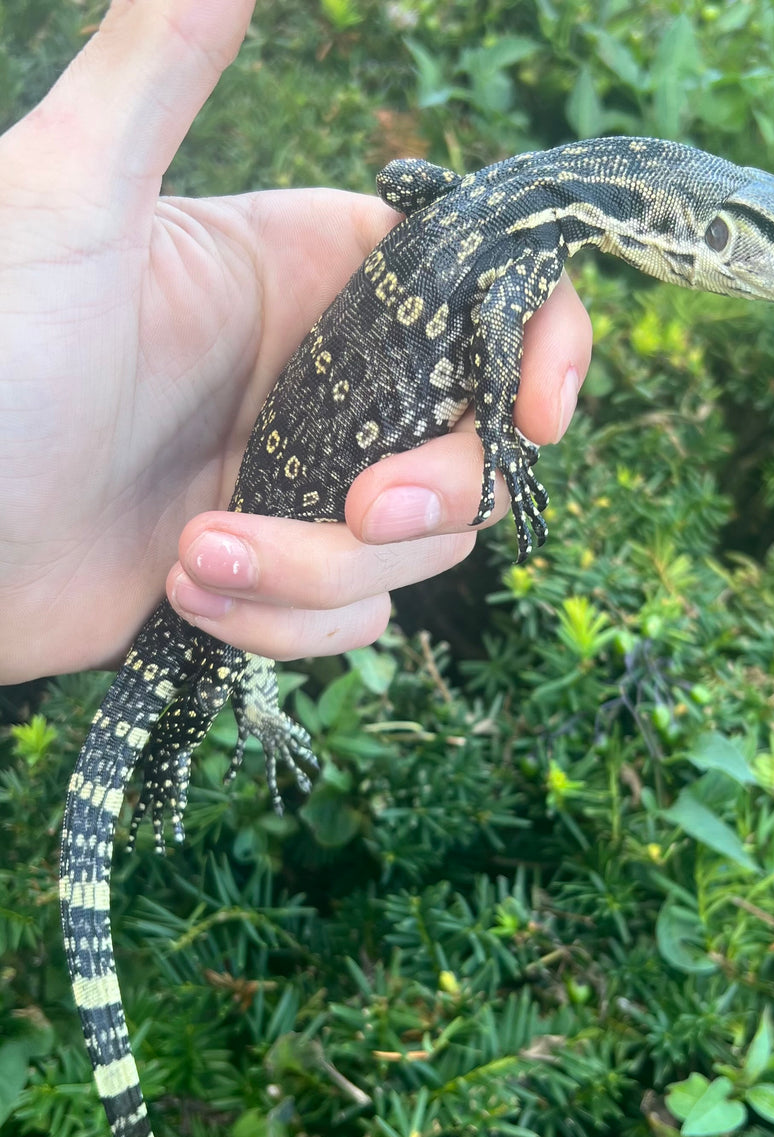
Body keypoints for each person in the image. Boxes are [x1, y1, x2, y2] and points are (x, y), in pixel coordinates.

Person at [0, 0, 592, 686]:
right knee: (233, 615)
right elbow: (486, 315)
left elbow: (398, 179)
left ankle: (230, 702)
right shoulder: (532, 245)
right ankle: (228, 702)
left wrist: (456, 209)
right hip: (238, 507)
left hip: (219, 520)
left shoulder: (516, 221)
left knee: (238, 608)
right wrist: (502, 442)